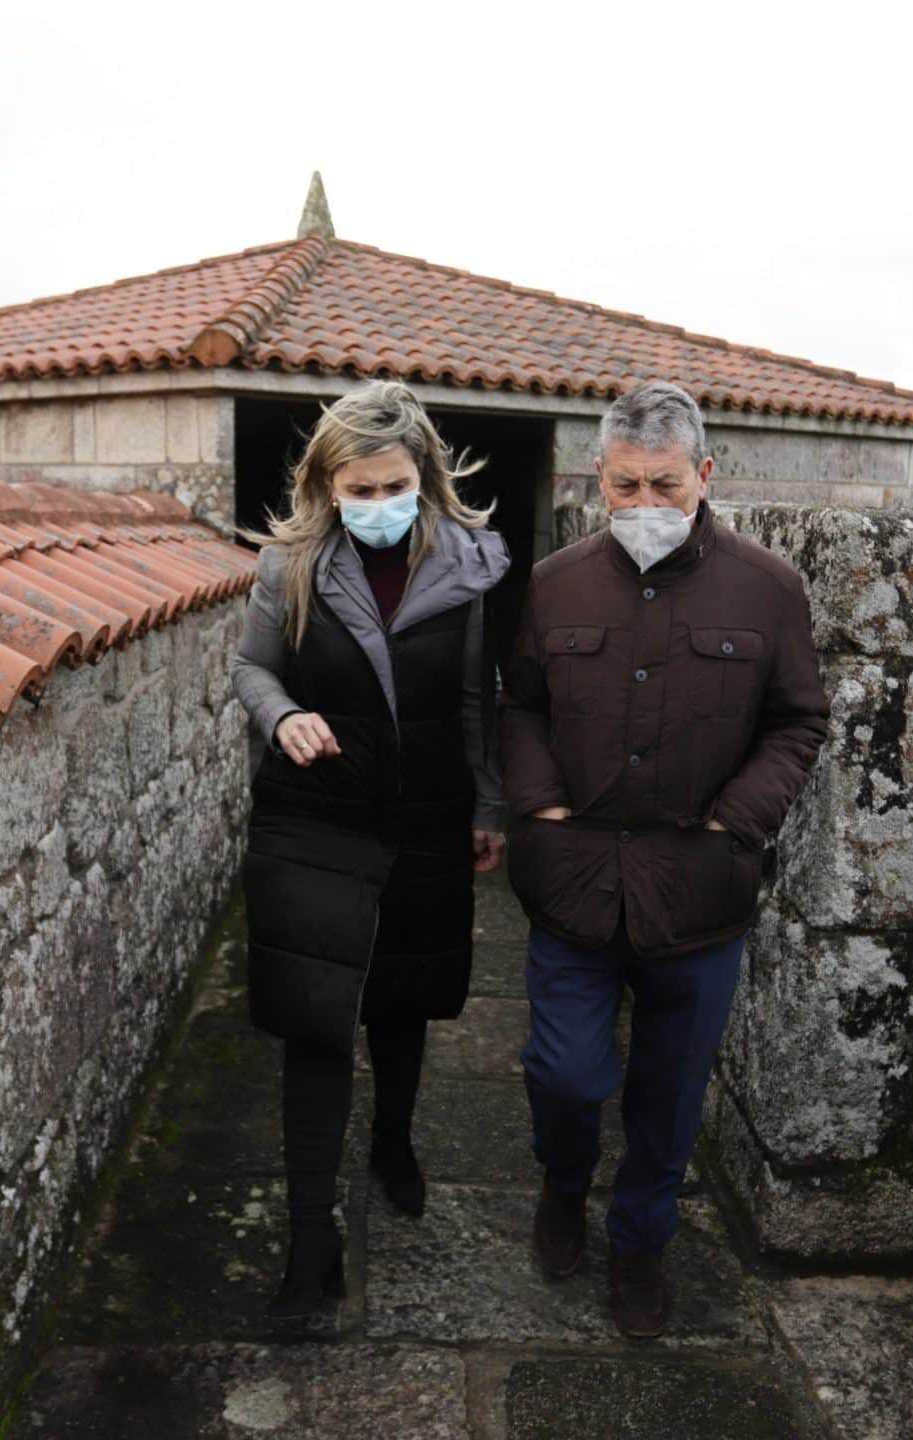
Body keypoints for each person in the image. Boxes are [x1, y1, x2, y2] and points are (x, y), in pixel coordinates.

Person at [501, 381, 827, 1338]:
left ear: (705, 475)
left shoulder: (769, 589)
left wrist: (740, 820)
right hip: (576, 881)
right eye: (625, 486)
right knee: (564, 1073)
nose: (645, 506)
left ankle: (641, 1245)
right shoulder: (555, 583)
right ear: (596, 480)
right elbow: (519, 703)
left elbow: (798, 718)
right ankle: (563, 1185)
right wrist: (540, 808)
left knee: (671, 1094)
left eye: (665, 486)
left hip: (700, 888)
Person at [230, 380, 510, 1320]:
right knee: (315, 1019)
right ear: (327, 485)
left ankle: (393, 1142)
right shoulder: (292, 566)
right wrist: (283, 715)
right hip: (316, 813)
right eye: (359, 488)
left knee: (401, 999)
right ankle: (311, 1246)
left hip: (427, 813)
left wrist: (490, 806)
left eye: (394, 484)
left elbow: (478, 698)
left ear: (424, 478)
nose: (377, 503)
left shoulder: (468, 569)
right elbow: (250, 667)